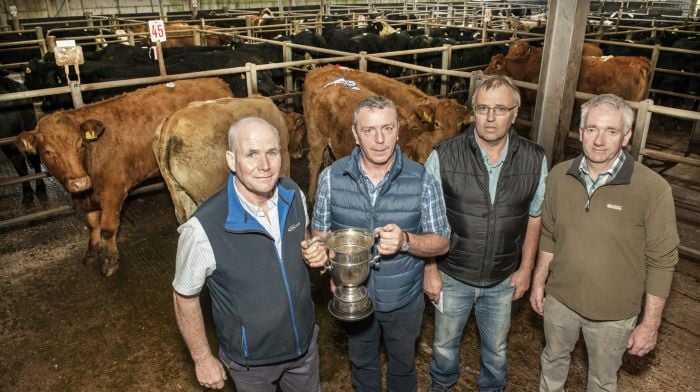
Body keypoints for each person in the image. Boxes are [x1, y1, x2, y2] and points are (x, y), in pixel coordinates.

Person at [530, 93, 679, 392]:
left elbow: (662, 261)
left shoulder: (652, 189)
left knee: (602, 380)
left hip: (615, 315)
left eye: (611, 131)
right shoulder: (560, 176)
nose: (599, 140)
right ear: (581, 131)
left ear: (625, 137)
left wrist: (650, 324)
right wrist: (538, 280)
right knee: (552, 361)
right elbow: (549, 232)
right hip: (560, 301)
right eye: (592, 129)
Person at [302, 95, 451, 392]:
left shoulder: (421, 179)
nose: (380, 139)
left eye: (387, 128)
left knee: (403, 366)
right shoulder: (332, 177)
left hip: (404, 300)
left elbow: (442, 242)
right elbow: (320, 236)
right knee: (362, 363)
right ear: (356, 134)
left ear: (398, 131)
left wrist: (406, 241)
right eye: (369, 130)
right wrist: (321, 256)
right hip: (353, 297)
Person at [172, 117, 320, 392]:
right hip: (252, 364)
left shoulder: (293, 194)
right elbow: (184, 297)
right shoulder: (203, 228)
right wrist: (203, 358)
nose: (265, 165)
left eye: (272, 153)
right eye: (252, 154)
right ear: (231, 159)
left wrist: (315, 251)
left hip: (305, 349)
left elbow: (302, 244)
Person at [423, 74, 548, 392]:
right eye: (482, 108)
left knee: (496, 351)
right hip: (453, 274)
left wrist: (525, 269)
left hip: (502, 279)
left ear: (515, 113)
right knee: (444, 347)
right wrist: (430, 270)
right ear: (473, 112)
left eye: (500, 108)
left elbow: (535, 218)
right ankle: (442, 387)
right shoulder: (444, 155)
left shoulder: (535, 159)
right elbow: (427, 219)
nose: (490, 117)